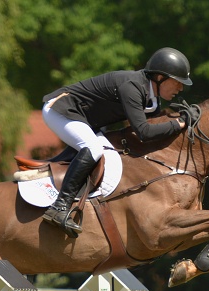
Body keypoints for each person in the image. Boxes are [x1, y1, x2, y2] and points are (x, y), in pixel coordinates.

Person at [41, 48, 192, 236]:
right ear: (160, 78)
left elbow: (155, 128)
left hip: (84, 119)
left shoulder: (151, 99)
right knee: (93, 149)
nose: (181, 88)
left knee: (103, 149)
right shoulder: (132, 87)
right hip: (61, 110)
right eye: (177, 82)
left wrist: (178, 118)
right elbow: (144, 132)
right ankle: (59, 207)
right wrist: (179, 123)